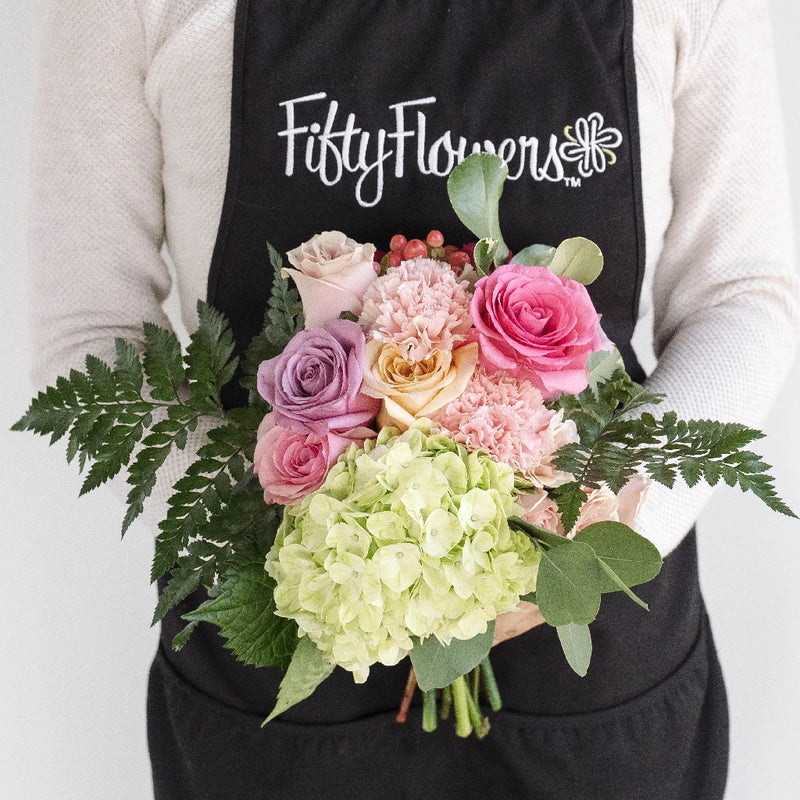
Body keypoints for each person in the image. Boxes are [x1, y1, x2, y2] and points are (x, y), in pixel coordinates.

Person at [29, 1, 800, 798]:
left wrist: (611, 514)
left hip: (592, 671)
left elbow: (740, 294)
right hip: (281, 677)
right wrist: (318, 550)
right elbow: (91, 327)